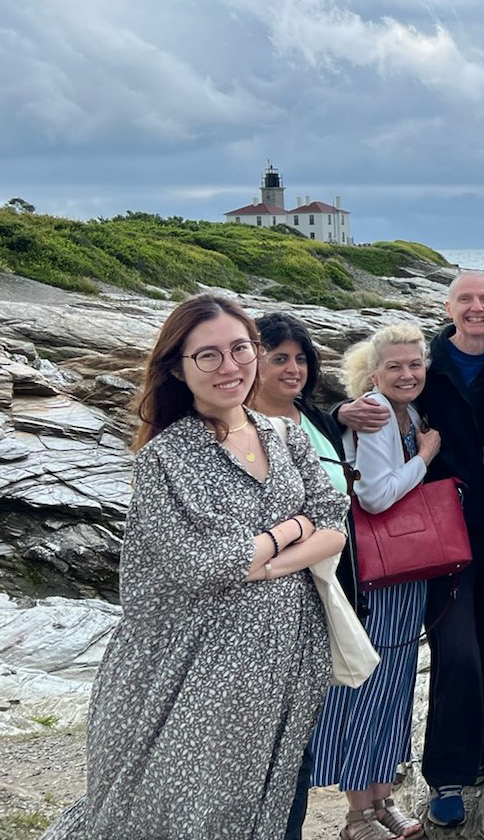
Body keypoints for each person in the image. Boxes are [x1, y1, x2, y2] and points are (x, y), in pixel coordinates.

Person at [42, 294, 348, 839]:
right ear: (178, 369)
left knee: (274, 793)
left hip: (286, 657)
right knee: (187, 803)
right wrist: (292, 528)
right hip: (194, 665)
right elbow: (207, 566)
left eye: (241, 348)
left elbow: (334, 523)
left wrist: (272, 561)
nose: (230, 367)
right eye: (209, 356)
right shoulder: (167, 457)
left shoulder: (285, 433)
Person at [338, 270, 484, 827]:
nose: (476, 307)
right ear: (448, 306)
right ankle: (447, 775)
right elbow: (346, 416)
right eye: (466, 298)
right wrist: (337, 412)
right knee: (458, 653)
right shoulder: (428, 370)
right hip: (443, 538)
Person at [308, 324, 441, 840]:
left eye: (415, 364)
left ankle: (383, 801)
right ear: (374, 371)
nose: (407, 374)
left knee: (395, 683)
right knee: (367, 684)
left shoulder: (406, 412)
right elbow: (377, 496)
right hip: (376, 574)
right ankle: (357, 815)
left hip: (405, 570)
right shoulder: (378, 413)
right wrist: (426, 457)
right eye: (395, 366)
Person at [251, 312, 359, 840]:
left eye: (300, 358)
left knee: (297, 746)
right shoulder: (237, 427)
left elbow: (334, 510)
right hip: (263, 606)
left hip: (321, 599)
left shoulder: (312, 418)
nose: (293, 368)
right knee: (256, 747)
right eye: (279, 358)